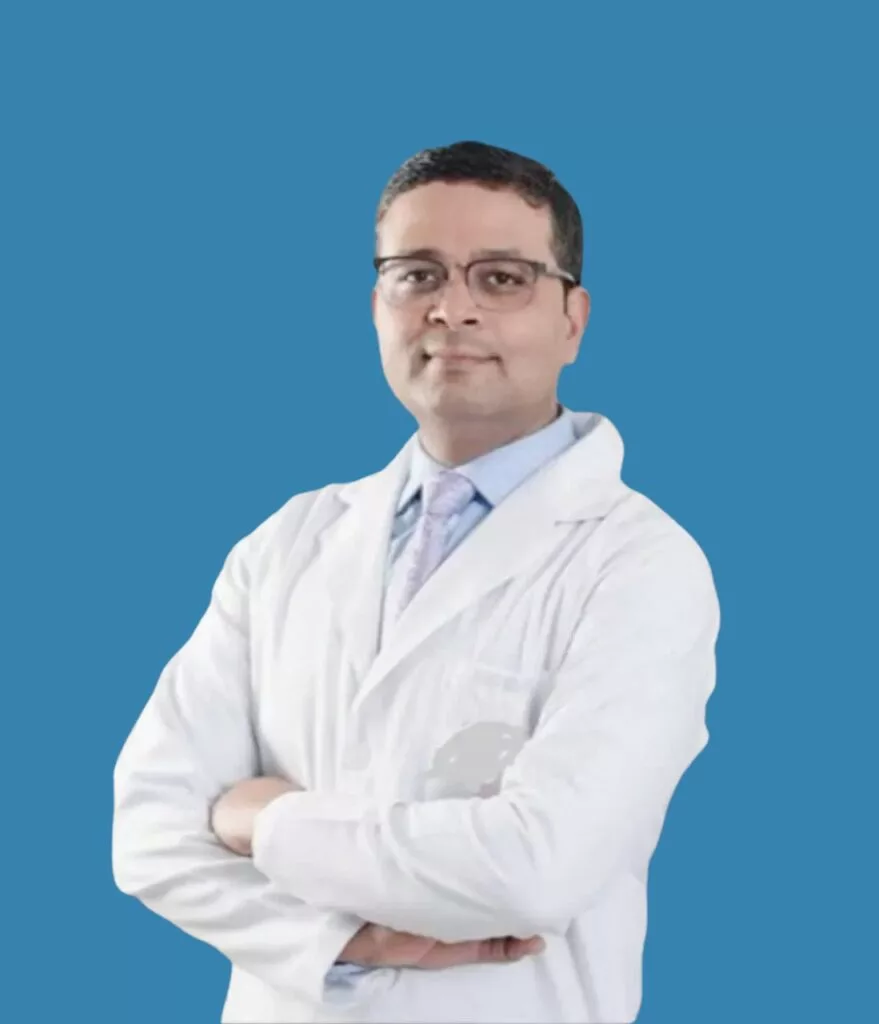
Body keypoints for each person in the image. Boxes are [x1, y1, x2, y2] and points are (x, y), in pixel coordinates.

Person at [112, 140, 721, 1024]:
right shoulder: (287, 543)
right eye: (417, 275)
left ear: (572, 319)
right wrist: (340, 940)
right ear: (377, 307)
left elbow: (535, 867)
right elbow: (148, 830)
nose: (451, 309)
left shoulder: (638, 565)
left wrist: (262, 822)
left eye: (502, 278)